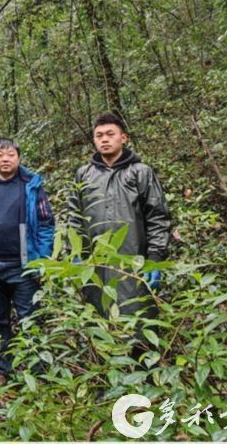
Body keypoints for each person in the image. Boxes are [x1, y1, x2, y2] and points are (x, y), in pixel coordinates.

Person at [67, 113, 170, 348]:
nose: (105, 140)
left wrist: (155, 259)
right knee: (100, 319)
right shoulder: (84, 174)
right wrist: (75, 252)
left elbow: (157, 217)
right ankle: (108, 375)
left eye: (110, 134)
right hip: (95, 266)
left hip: (133, 262)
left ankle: (143, 372)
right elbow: (75, 217)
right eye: (99, 135)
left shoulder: (141, 172)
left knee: (138, 320)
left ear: (123, 138)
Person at [0, 139, 54, 376]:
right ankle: (2, 369)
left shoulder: (31, 185)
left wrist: (42, 258)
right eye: (0, 155)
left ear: (18, 158)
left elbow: (46, 224)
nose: (5, 159)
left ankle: (38, 372)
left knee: (30, 319)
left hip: (24, 266)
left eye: (10, 154)